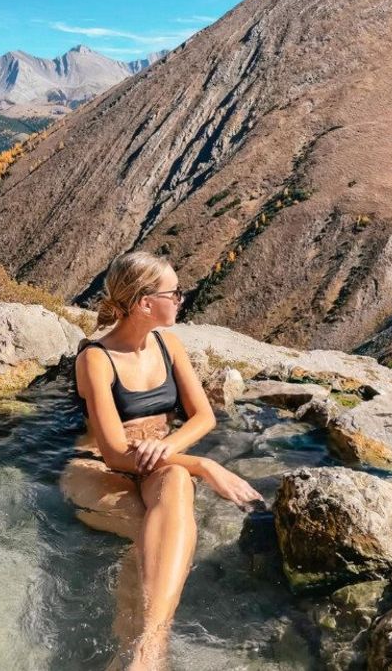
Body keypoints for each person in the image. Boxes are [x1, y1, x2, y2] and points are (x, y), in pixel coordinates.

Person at [68, 251, 260, 671]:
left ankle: (145, 650)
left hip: (160, 459)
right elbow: (115, 452)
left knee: (173, 484)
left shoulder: (168, 344)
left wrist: (170, 449)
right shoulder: (96, 358)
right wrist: (205, 465)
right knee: (152, 532)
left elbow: (204, 416)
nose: (180, 299)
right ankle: (145, 653)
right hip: (100, 467)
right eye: (174, 293)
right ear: (144, 303)